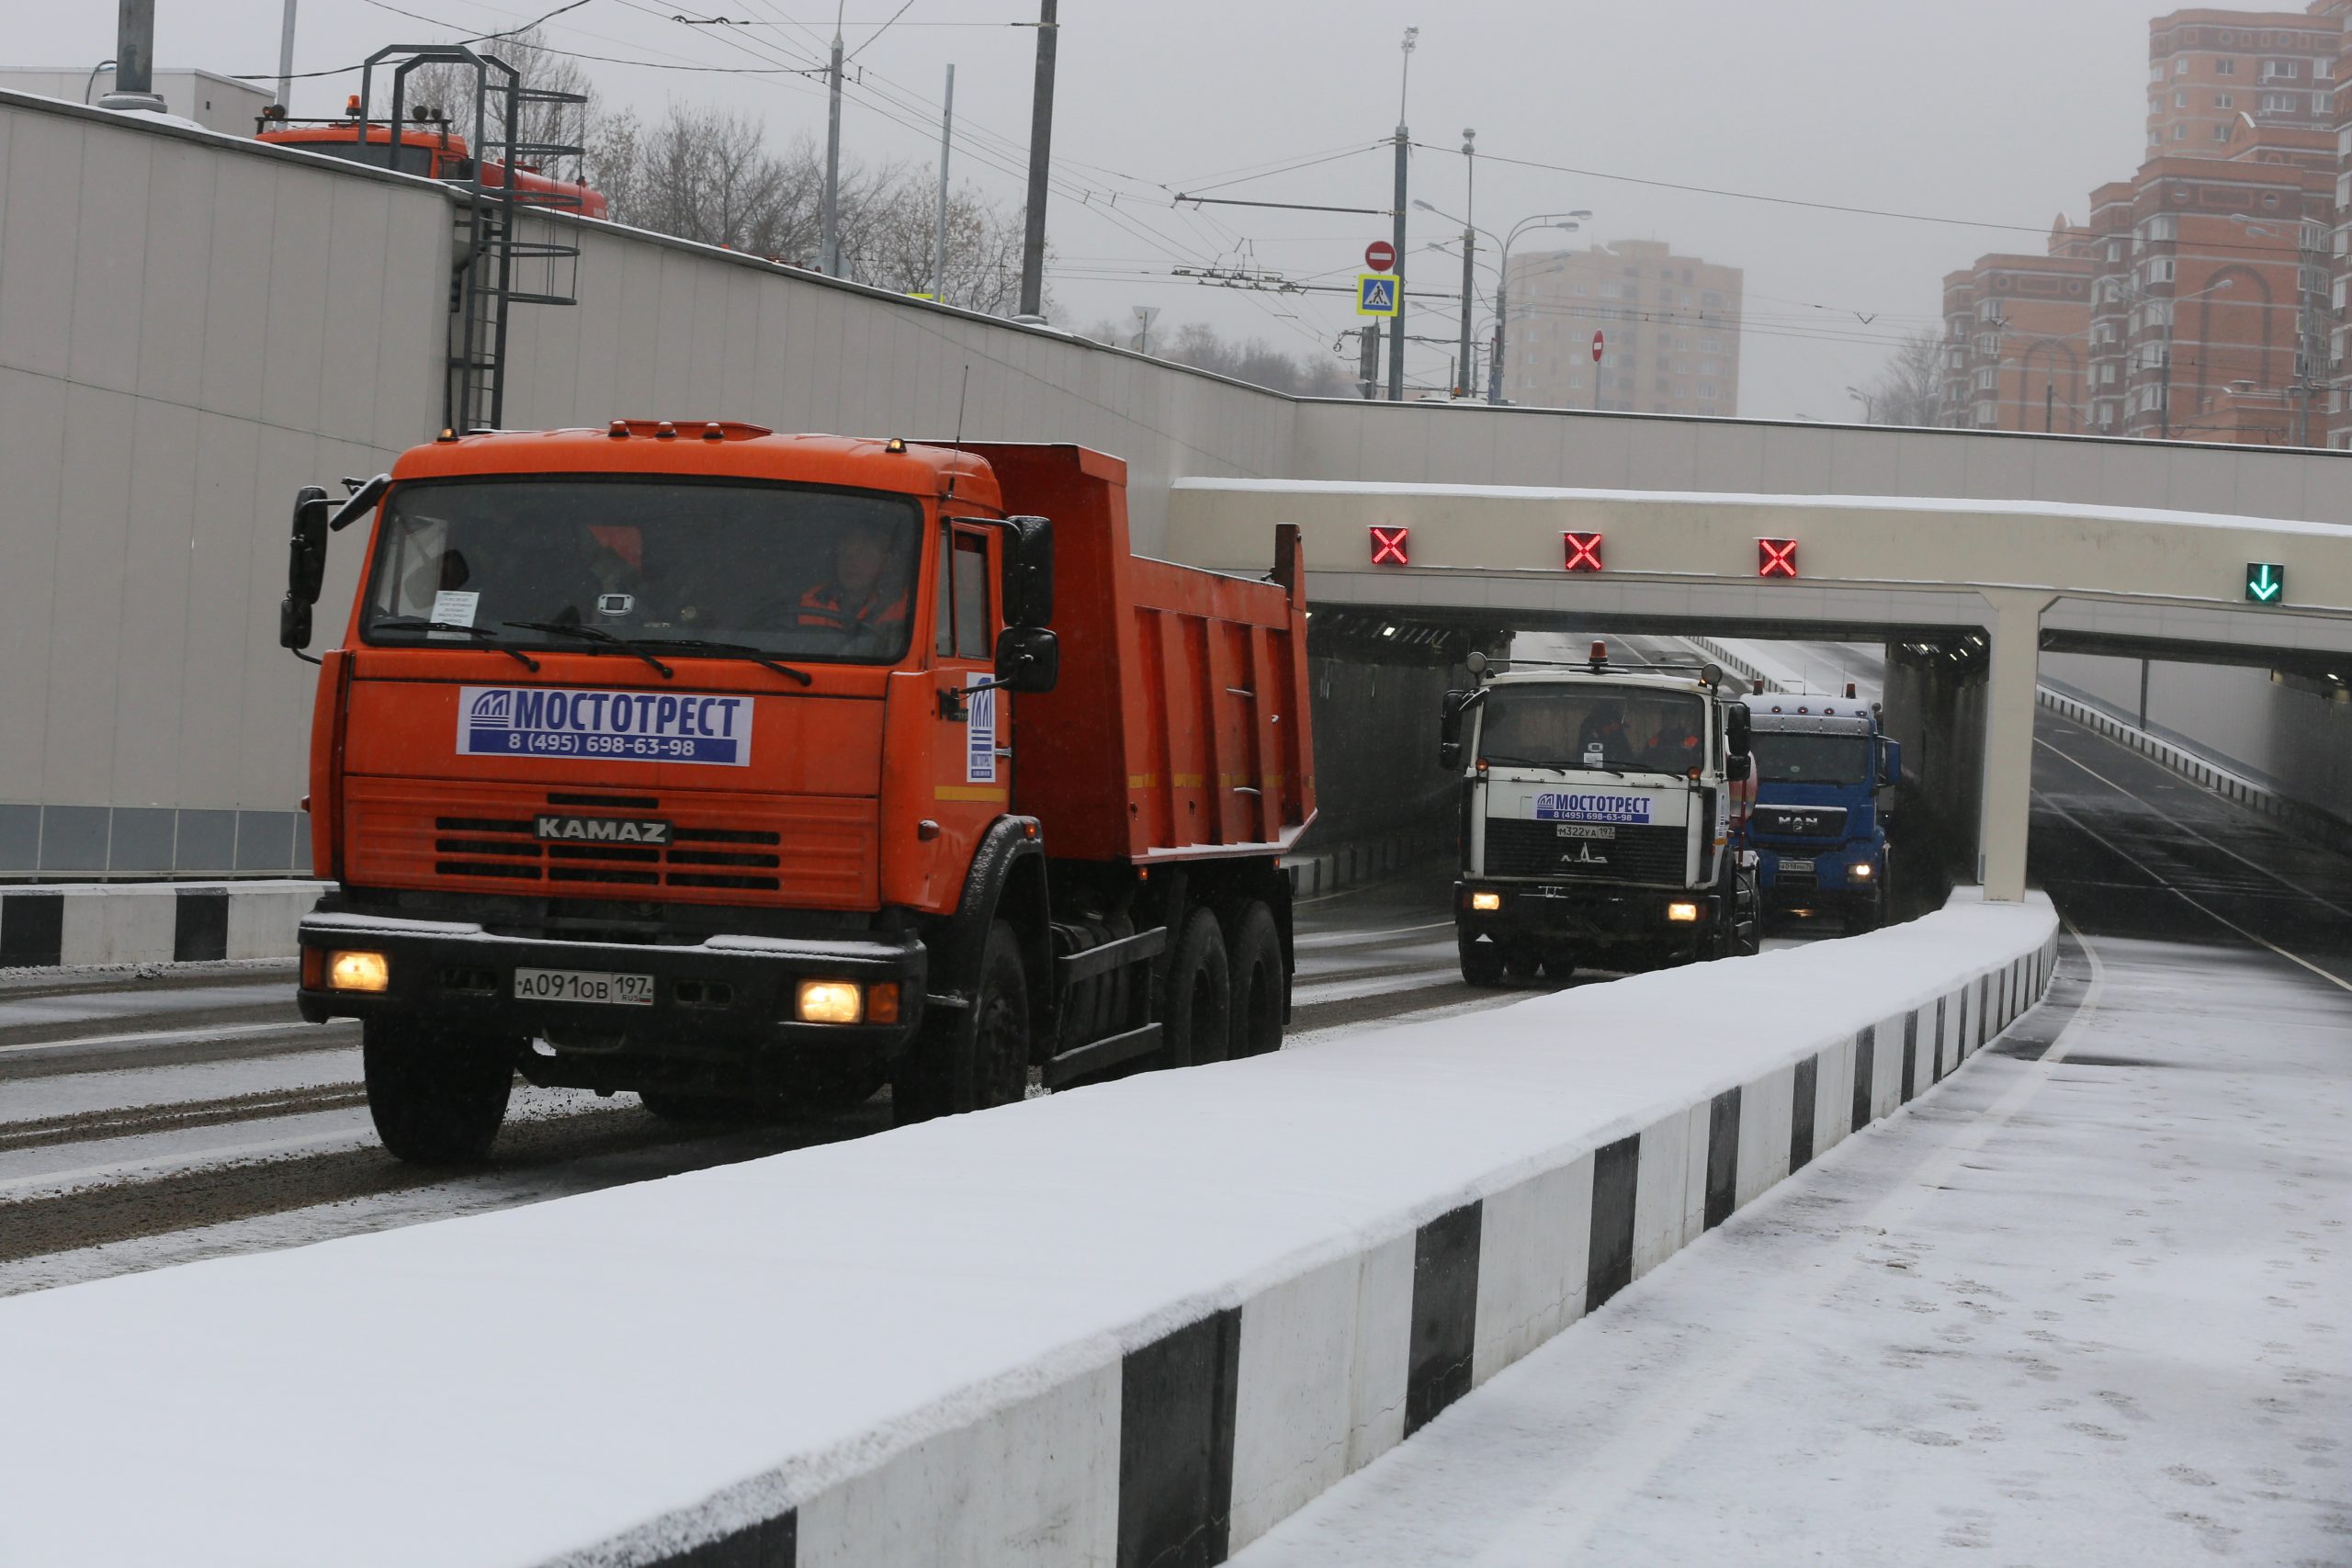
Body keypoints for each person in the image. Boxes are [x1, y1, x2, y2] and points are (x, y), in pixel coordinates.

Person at [797, 521, 909, 652]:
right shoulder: (814, 600)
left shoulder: (905, 606)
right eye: (845, 553)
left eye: (863, 554)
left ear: (886, 562)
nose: (851, 562)